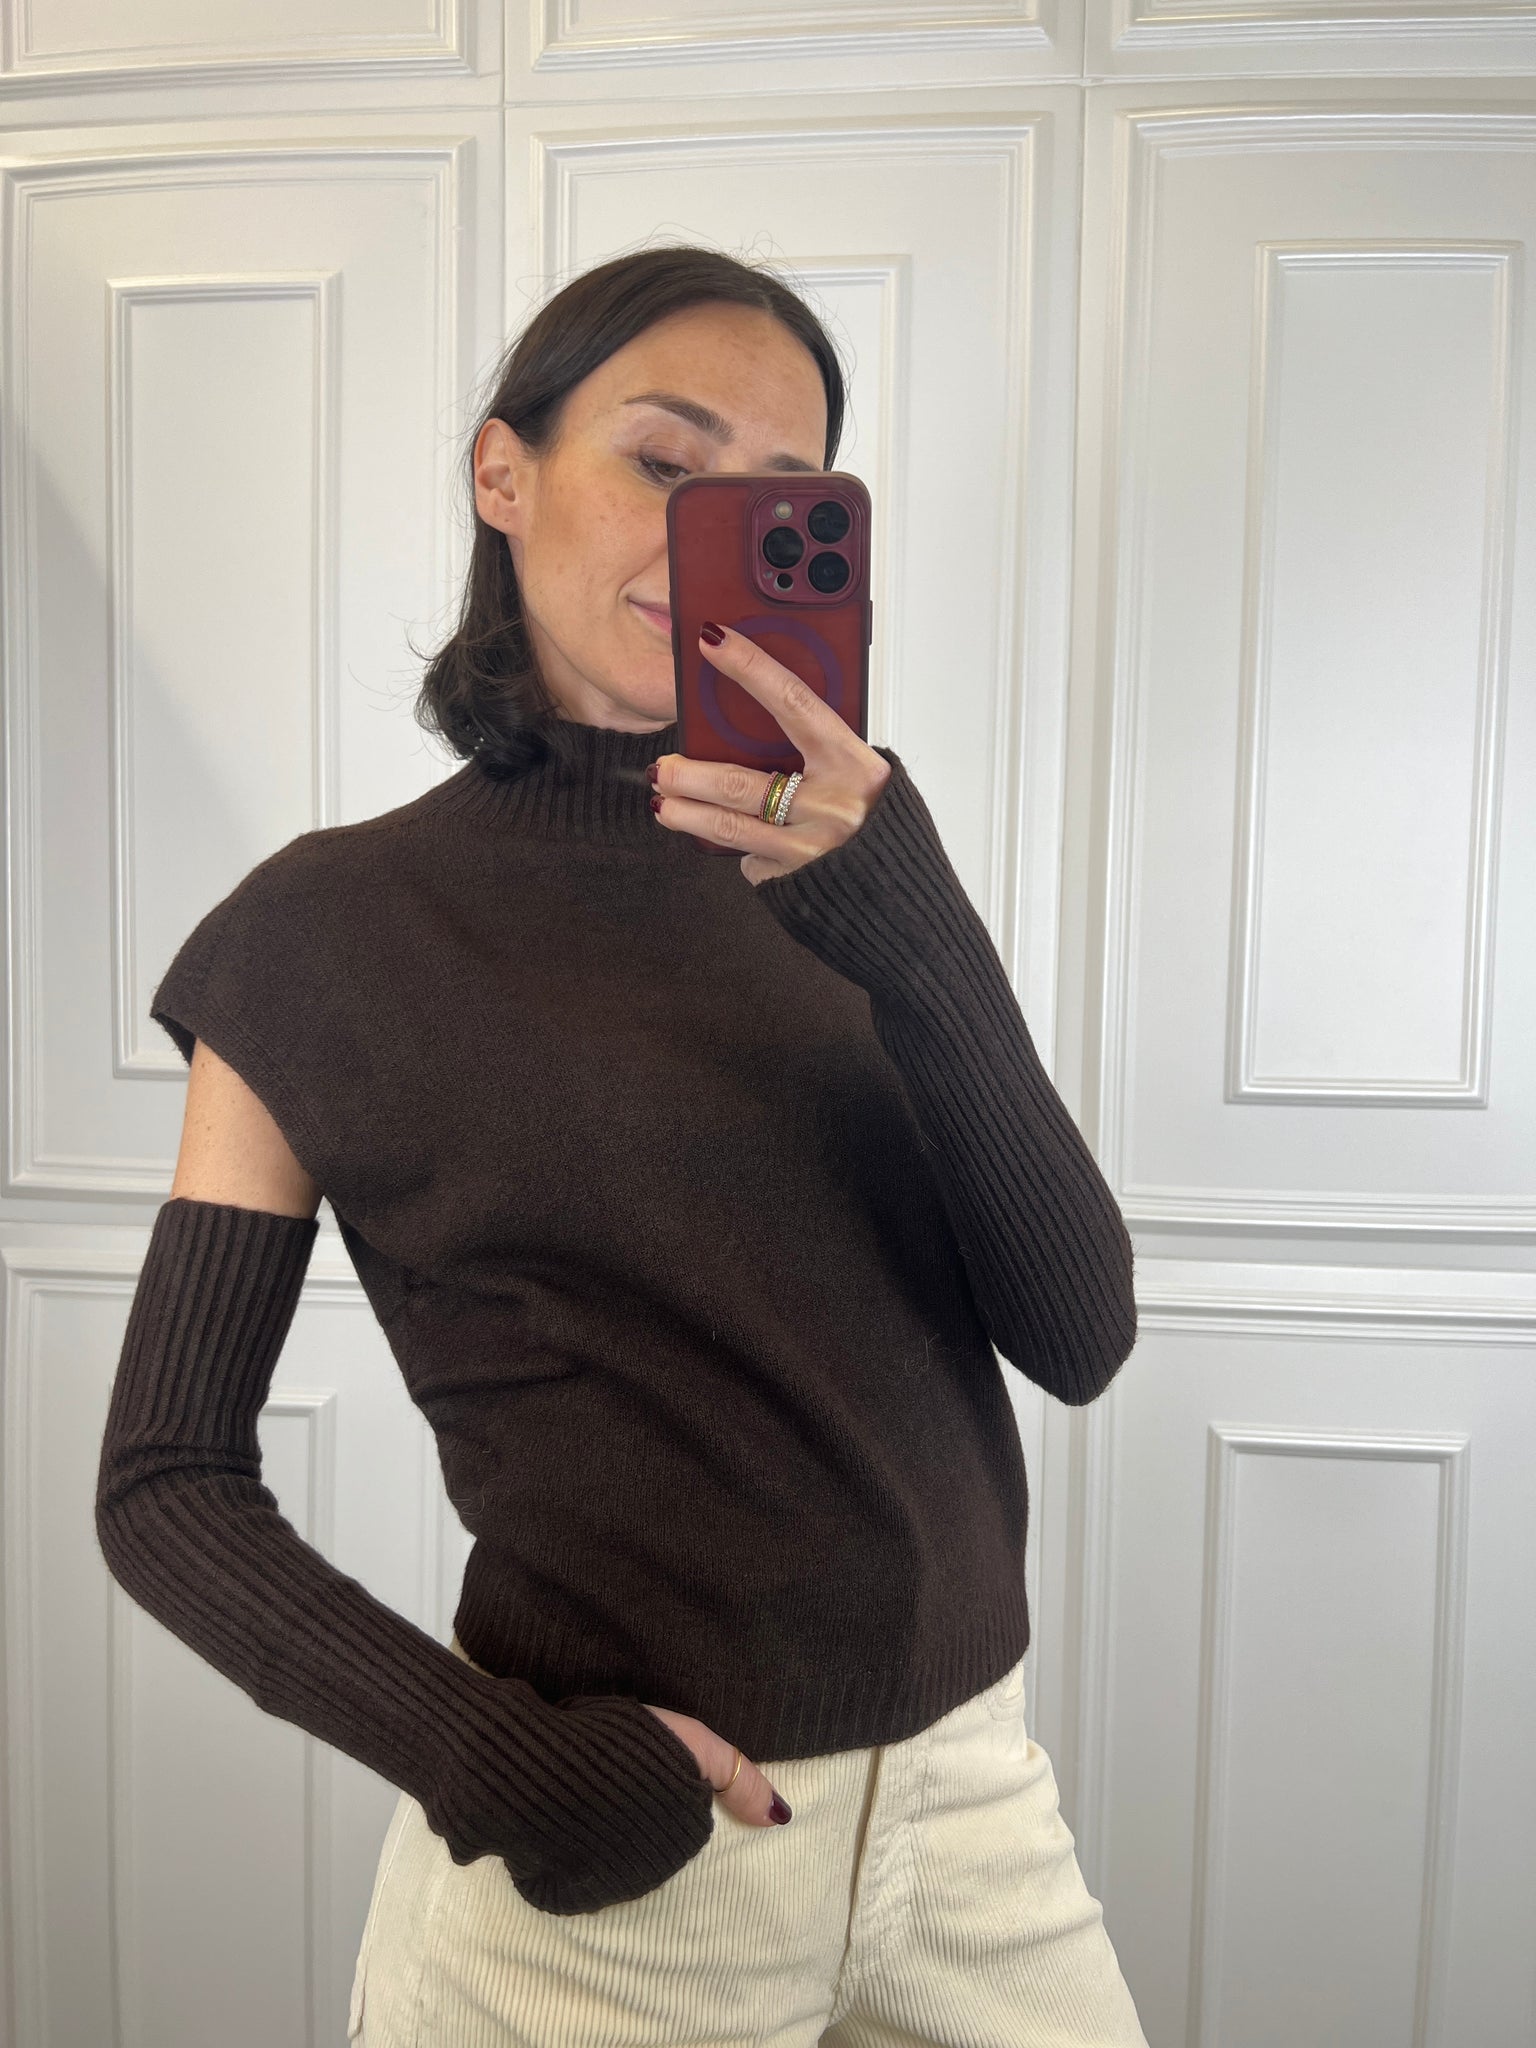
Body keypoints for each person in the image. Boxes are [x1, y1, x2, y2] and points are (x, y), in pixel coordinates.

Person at [95, 244, 1150, 2047]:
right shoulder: (319, 935)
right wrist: (494, 1760)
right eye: (664, 463)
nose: (706, 532)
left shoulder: (855, 873)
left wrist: (912, 924)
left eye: (776, 496)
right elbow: (165, 1480)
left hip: (975, 1824)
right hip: (621, 1888)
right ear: (502, 475)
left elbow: (1080, 1335)